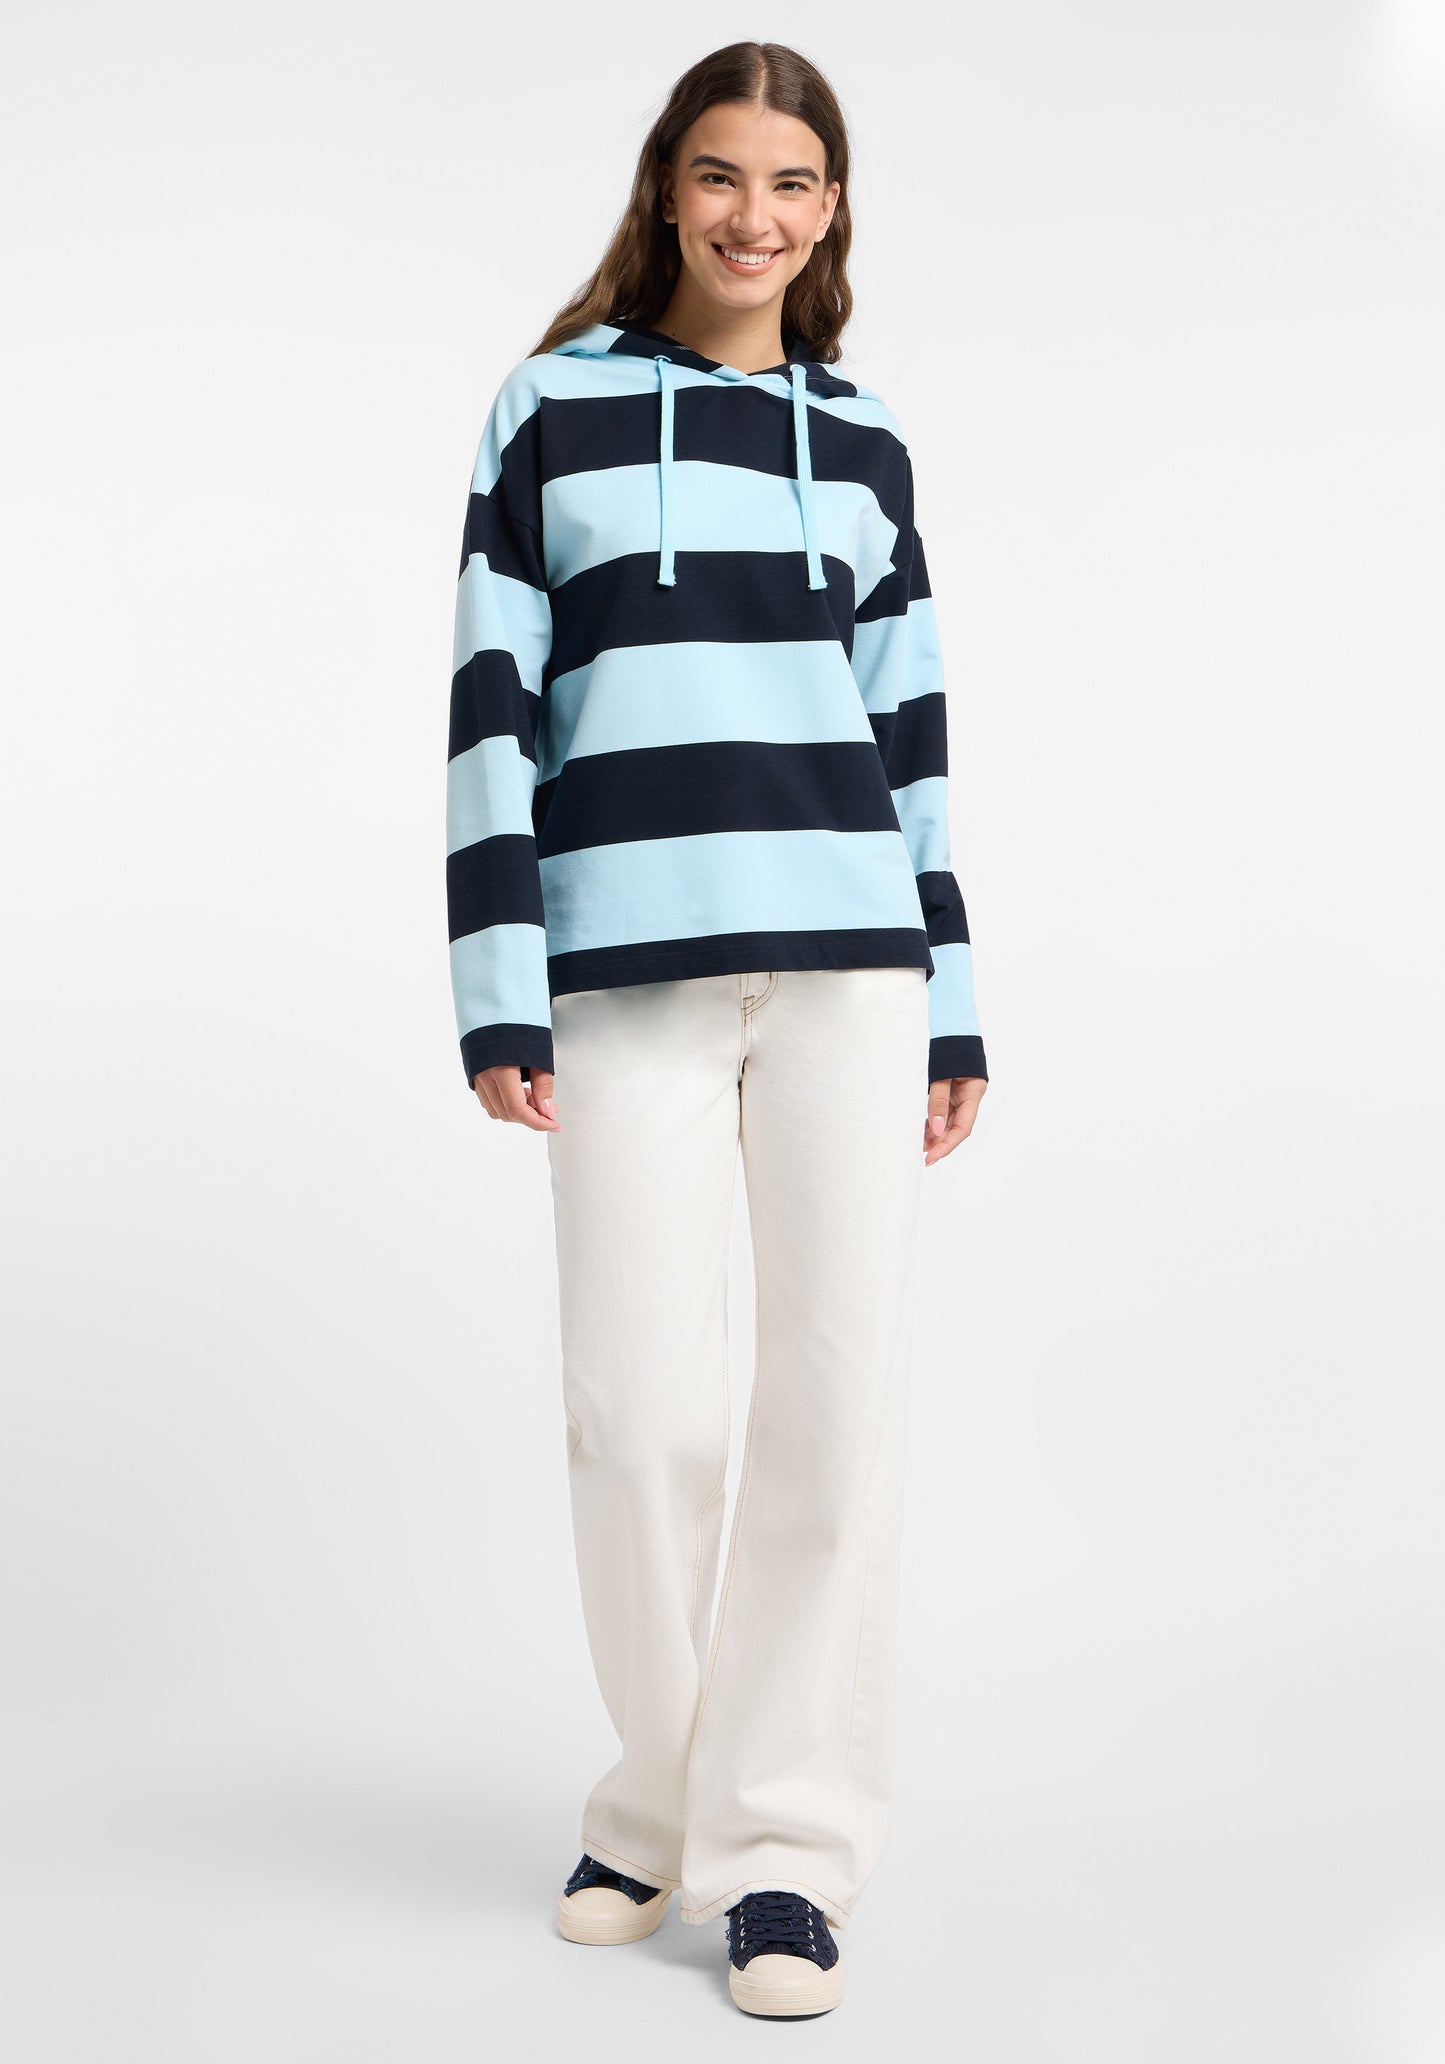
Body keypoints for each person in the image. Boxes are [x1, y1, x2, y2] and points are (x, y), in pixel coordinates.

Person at [445, 40, 988, 2020]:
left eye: (792, 182)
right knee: (639, 1417)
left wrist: (952, 1004)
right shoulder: (552, 410)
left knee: (833, 1413)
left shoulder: (864, 441)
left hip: (850, 973)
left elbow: (912, 737)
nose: (754, 216)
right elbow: (491, 708)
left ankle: (783, 1857)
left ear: (831, 211)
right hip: (624, 980)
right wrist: (497, 977)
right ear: (666, 189)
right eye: (720, 175)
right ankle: (660, 1796)